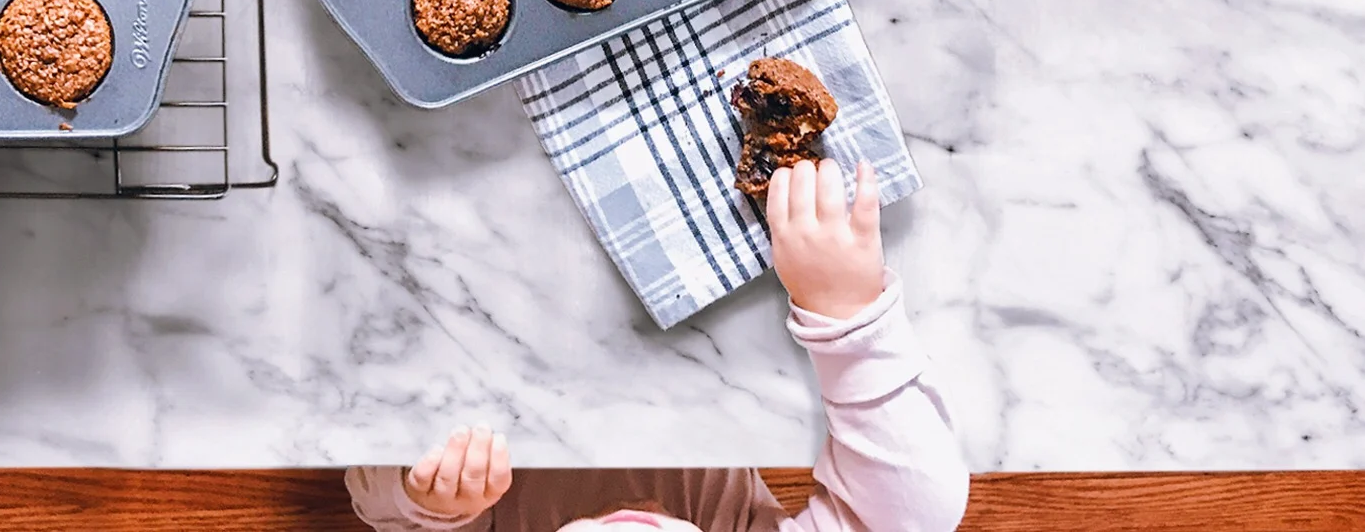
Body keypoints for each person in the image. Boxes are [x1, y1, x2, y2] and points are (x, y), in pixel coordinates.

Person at [347, 160, 967, 532]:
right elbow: (914, 511)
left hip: (466, 247)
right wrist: (846, 311)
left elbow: (372, 498)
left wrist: (428, 499)